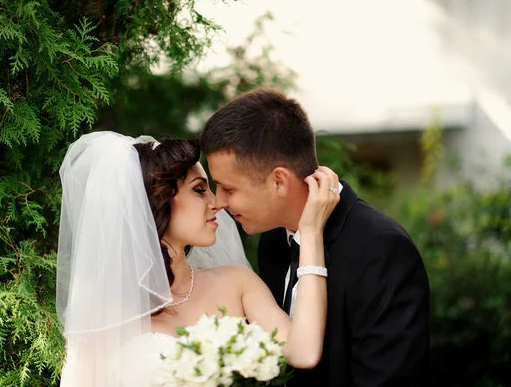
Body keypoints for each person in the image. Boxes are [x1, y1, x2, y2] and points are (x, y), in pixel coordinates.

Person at [55, 131, 340, 386]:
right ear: (157, 201)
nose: (217, 203)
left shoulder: (237, 282)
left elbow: (303, 352)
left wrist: (310, 231)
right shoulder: (105, 314)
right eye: (199, 190)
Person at [200, 88, 431, 387]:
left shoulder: (380, 249)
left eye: (228, 189)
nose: (220, 202)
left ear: (279, 181)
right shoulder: (272, 240)